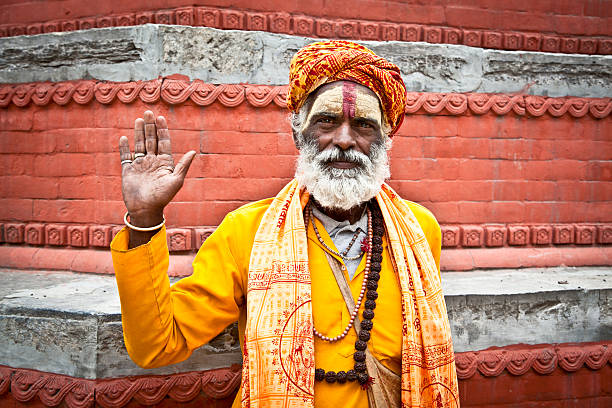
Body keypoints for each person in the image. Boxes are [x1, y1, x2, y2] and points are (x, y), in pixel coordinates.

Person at [111, 40, 459, 408]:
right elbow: (157, 344)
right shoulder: (246, 232)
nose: (343, 140)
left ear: (385, 141)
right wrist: (144, 219)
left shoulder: (420, 231)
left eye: (363, 125)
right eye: (326, 121)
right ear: (297, 134)